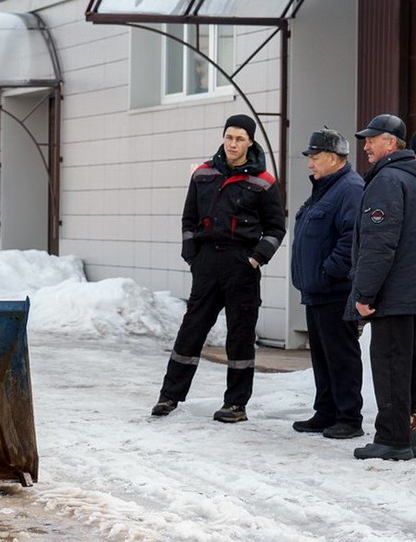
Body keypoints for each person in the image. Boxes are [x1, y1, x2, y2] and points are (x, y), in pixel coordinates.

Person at [152, 114, 286, 423]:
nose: (233, 143)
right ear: (223, 138)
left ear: (250, 142)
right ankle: (169, 396)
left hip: (242, 266)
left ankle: (235, 405)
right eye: (229, 137)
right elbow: (189, 219)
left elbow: (277, 229)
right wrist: (192, 256)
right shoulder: (203, 174)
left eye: (240, 138)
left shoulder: (263, 182)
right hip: (207, 264)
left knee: (240, 335)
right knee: (191, 330)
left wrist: (255, 258)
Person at [347, 114, 416, 461]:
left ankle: (392, 438)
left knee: (390, 366)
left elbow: (379, 244)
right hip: (411, 294)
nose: (366, 145)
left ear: (391, 143)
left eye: (372, 139)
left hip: (393, 295)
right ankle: (407, 433)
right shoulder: (410, 177)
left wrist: (364, 295)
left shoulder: (387, 181)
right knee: (408, 367)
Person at [290, 128, 364, 439]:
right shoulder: (325, 188)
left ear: (333, 159)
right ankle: (326, 411)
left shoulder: (349, 189)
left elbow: (351, 240)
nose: (309, 163)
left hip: (335, 291)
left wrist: (325, 272)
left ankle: (349, 417)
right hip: (318, 291)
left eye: (315, 157)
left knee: (341, 355)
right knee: (322, 356)